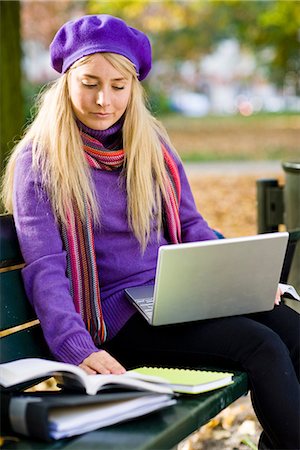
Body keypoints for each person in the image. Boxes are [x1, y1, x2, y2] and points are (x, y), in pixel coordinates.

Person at [1, 14, 299, 450]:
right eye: (89, 83)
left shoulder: (151, 145)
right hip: (116, 321)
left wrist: (244, 284)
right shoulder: (40, 160)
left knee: (291, 332)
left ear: (134, 87)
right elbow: (46, 268)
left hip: (175, 296)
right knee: (261, 347)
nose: (104, 100)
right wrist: (78, 348)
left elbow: (192, 226)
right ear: (66, 80)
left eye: (118, 86)